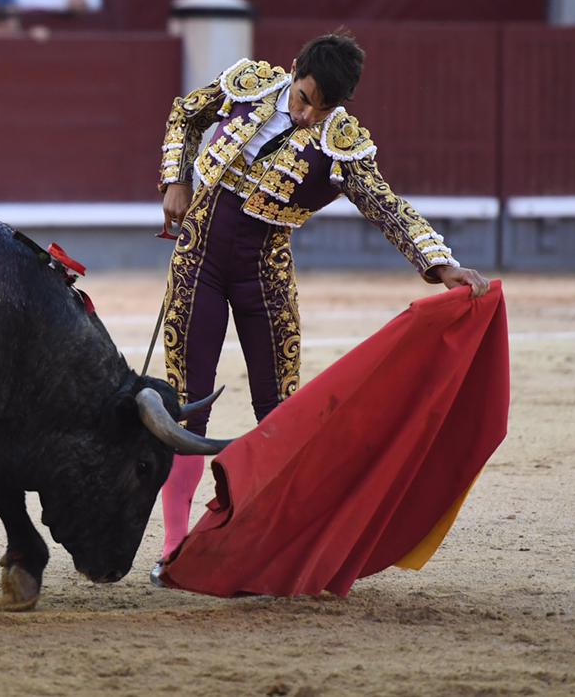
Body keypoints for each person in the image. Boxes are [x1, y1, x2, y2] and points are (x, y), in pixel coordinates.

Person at [150, 35, 490, 576]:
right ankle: (173, 546)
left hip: (264, 274)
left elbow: (386, 206)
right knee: (188, 402)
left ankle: (262, 542)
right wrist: (175, 180)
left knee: (279, 410)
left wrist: (440, 264)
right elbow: (186, 114)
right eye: (304, 98)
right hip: (199, 261)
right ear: (293, 71)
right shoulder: (250, 84)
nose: (308, 115)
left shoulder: (341, 144)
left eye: (324, 107)